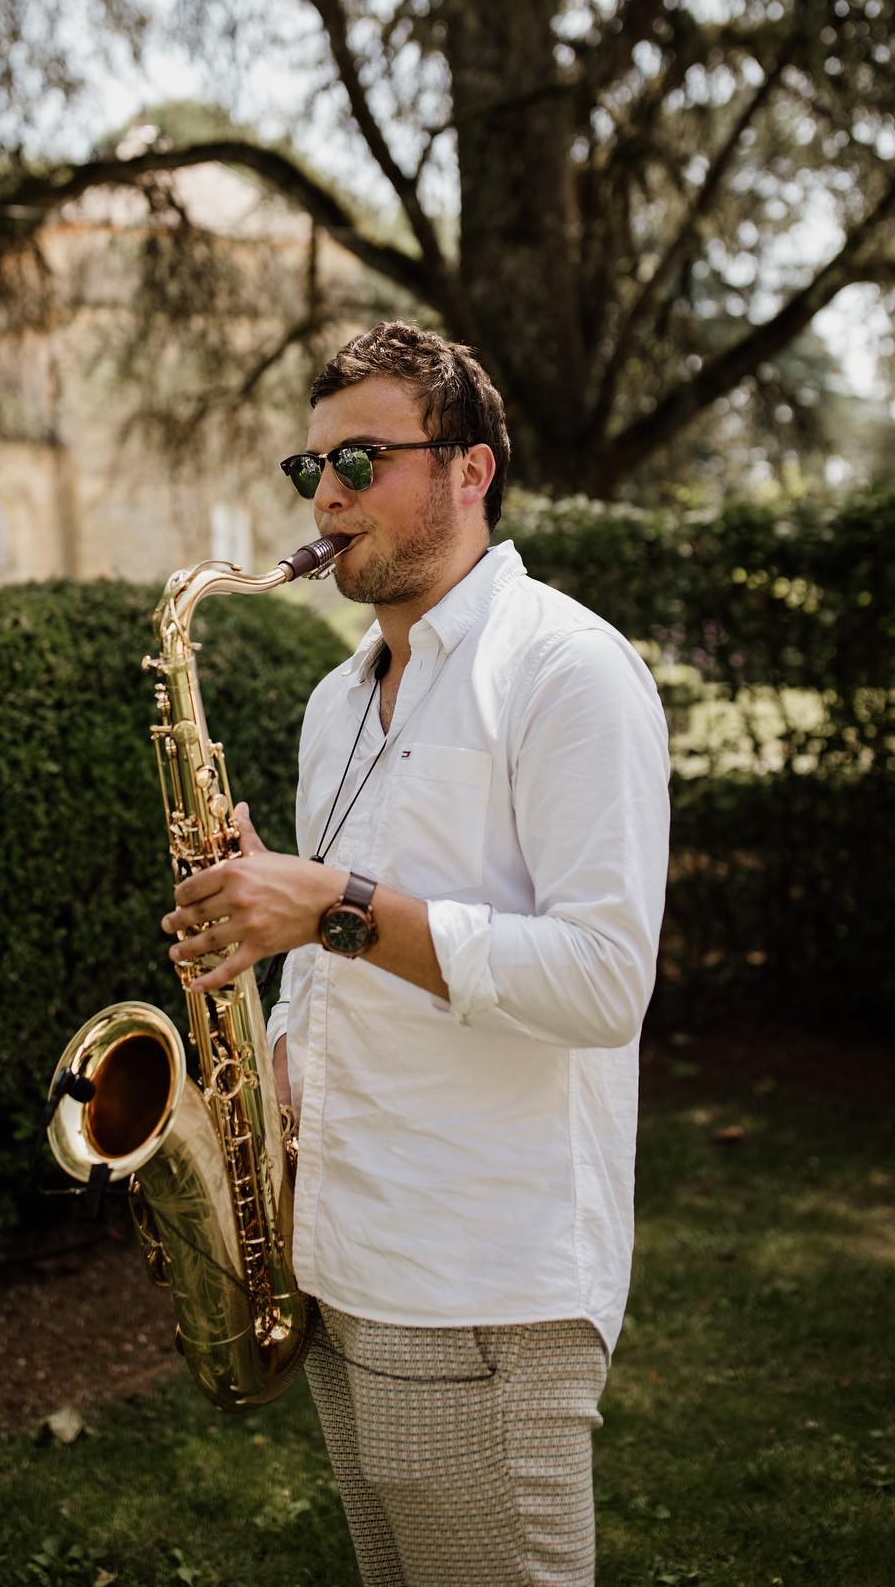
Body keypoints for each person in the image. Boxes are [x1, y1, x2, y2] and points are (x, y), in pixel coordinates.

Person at [160, 320, 671, 1585]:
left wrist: (330, 898)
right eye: (312, 467)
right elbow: (338, 951)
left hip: (481, 1278)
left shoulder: (568, 671)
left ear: (470, 470)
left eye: (363, 459)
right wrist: (276, 1024)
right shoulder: (339, 701)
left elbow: (604, 980)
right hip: (345, 1261)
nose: (326, 495)